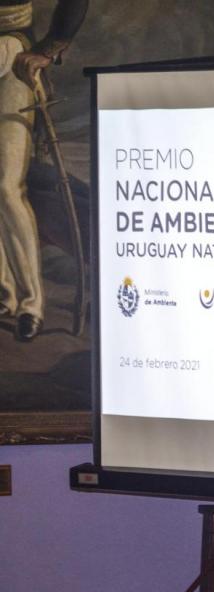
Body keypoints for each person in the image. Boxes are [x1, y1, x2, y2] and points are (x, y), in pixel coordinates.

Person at [0, 0, 88, 341]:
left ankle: (31, 304)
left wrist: (48, 48)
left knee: (7, 187)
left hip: (11, 59)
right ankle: (4, 293)